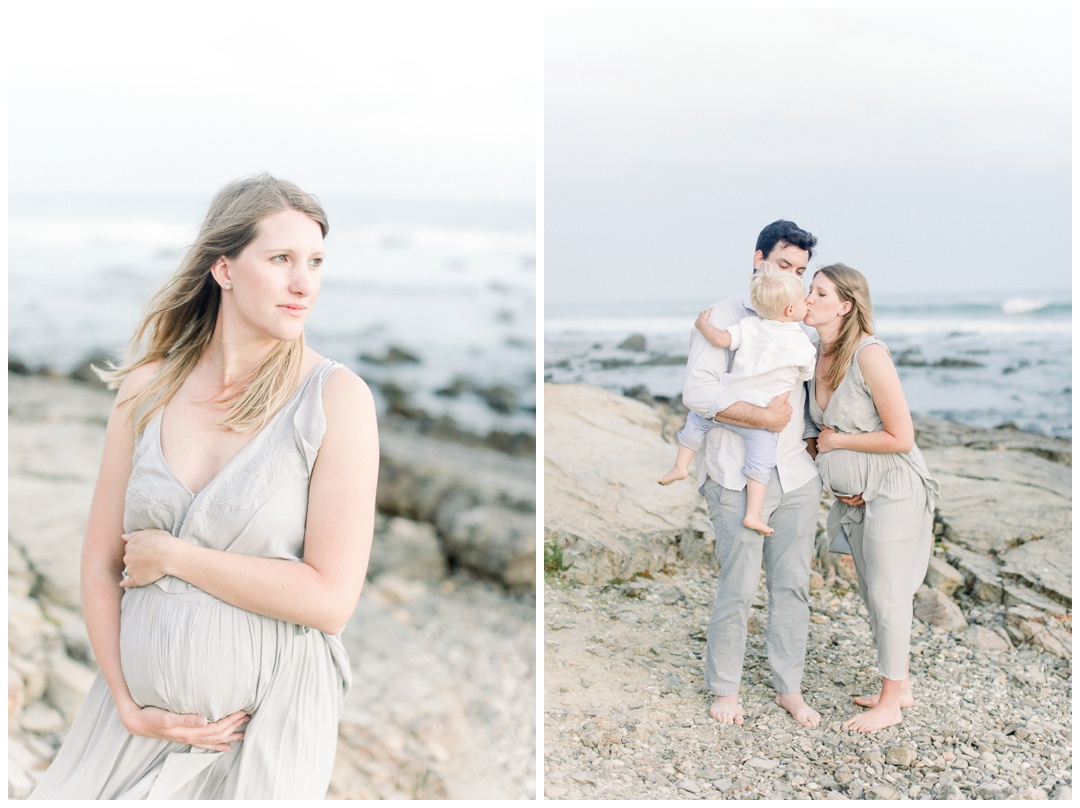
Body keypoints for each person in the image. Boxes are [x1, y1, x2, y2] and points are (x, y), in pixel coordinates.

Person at [29, 174, 379, 798]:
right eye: (281, 259)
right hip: (130, 726)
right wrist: (125, 701)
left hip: (265, 732)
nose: (305, 284)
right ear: (223, 268)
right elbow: (100, 559)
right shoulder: (148, 387)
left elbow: (330, 600)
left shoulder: (335, 400)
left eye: (316, 263)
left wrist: (176, 558)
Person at [681, 220, 823, 727]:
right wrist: (762, 417)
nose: (795, 278)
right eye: (785, 265)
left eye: (802, 271)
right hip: (734, 474)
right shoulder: (724, 316)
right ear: (759, 258)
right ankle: (725, 687)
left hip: (797, 477)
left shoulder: (799, 322)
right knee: (737, 586)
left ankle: (789, 687)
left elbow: (813, 396)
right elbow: (697, 393)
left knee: (792, 586)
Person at [804, 263, 938, 733]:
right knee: (872, 592)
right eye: (808, 289)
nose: (807, 297)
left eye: (818, 292)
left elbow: (901, 436)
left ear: (844, 305)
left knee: (887, 592)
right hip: (857, 498)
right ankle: (898, 687)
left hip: (895, 486)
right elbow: (816, 432)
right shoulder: (812, 356)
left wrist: (838, 446)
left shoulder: (869, 355)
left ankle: (890, 704)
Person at [659, 263, 815, 539]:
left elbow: (720, 339)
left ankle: (680, 465)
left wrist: (701, 324)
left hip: (733, 404)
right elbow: (807, 372)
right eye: (804, 300)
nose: (808, 304)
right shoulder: (802, 342)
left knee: (696, 419)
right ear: (791, 310)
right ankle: (753, 514)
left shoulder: (750, 325)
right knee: (761, 463)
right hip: (763, 418)